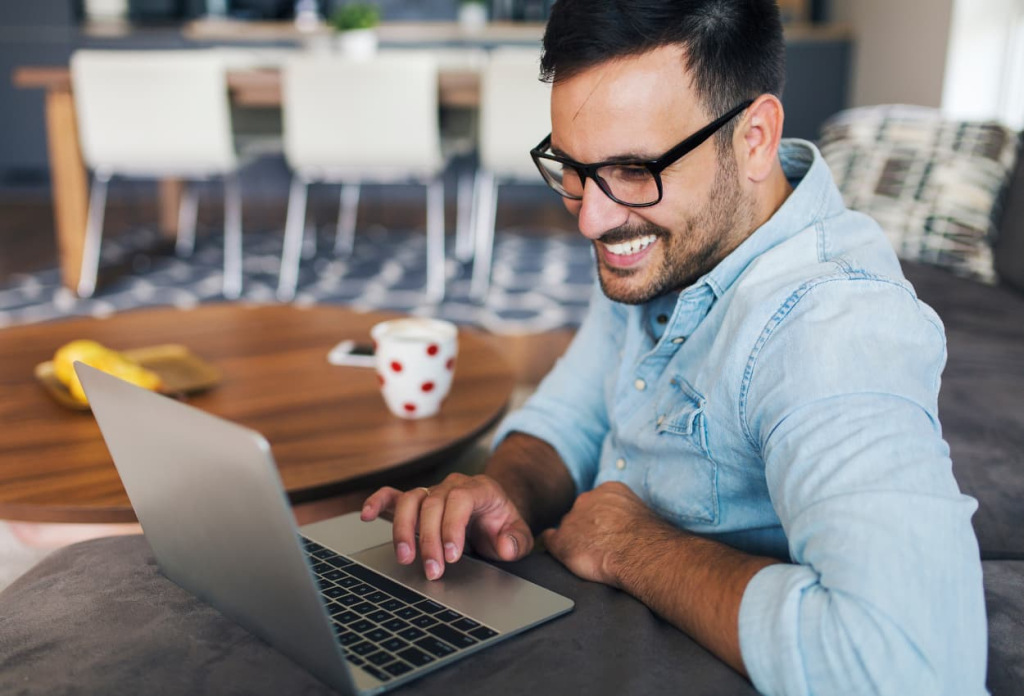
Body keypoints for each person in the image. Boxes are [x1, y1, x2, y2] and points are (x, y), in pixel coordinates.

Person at [361, 1, 988, 693]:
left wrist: (638, 547)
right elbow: (572, 414)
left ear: (753, 138)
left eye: (634, 169)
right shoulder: (678, 242)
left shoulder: (833, 329)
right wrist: (501, 487)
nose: (591, 218)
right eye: (571, 167)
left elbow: (915, 668)